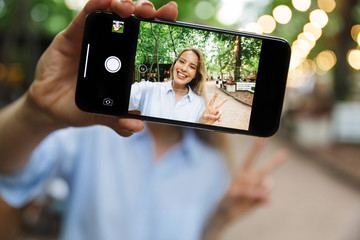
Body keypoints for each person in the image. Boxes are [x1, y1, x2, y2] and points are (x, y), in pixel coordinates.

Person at [0, 1, 288, 240]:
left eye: (192, 65)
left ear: (197, 73)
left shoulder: (212, 164)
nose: (184, 68)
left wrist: (222, 215)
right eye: (181, 61)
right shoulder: (97, 130)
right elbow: (9, 169)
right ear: (173, 64)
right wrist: (35, 111)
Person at [129, 47, 228, 125]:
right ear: (175, 63)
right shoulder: (148, 89)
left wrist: (202, 123)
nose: (184, 68)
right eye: (182, 61)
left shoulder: (199, 103)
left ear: (196, 75)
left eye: (192, 67)